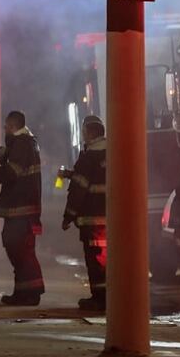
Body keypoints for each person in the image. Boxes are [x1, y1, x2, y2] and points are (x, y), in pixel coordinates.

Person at [0, 110, 44, 306]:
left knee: (19, 249)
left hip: (20, 208)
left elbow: (13, 172)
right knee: (20, 249)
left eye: (6, 126)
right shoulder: (28, 144)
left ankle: (30, 292)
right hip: (25, 207)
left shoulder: (22, 144)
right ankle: (24, 292)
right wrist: (5, 154)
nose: (4, 129)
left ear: (12, 127)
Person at [62, 115, 107, 311]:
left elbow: (79, 190)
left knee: (95, 259)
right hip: (115, 219)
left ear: (90, 133)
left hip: (93, 220)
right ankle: (114, 297)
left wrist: (68, 216)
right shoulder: (114, 153)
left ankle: (100, 299)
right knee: (110, 259)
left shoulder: (88, 158)